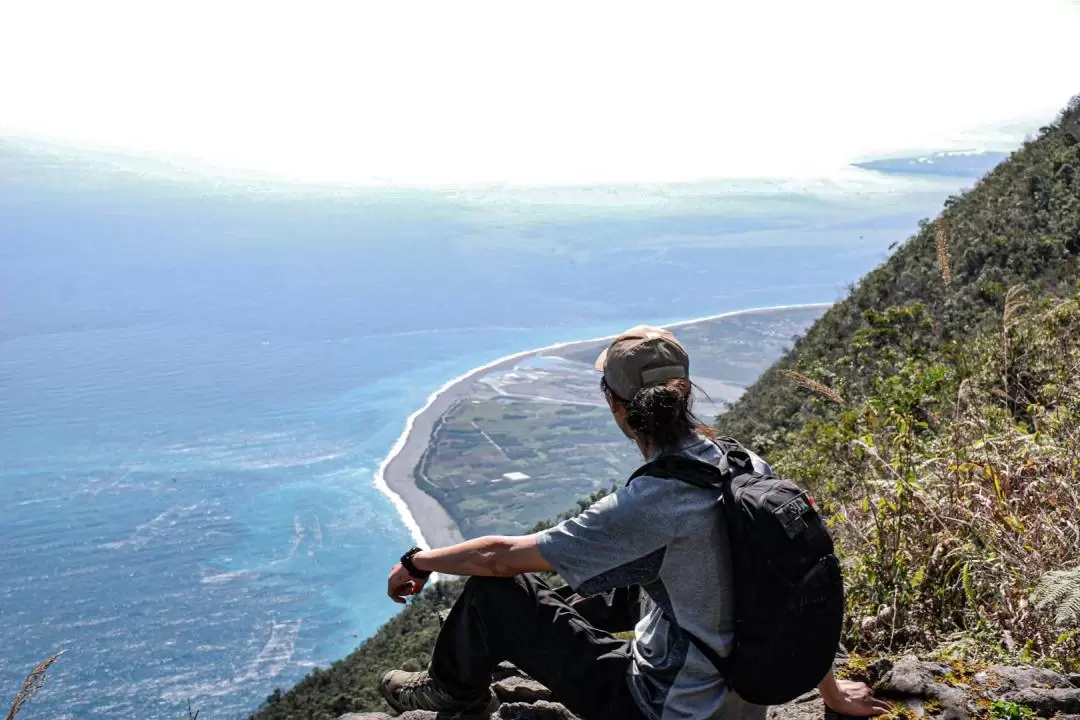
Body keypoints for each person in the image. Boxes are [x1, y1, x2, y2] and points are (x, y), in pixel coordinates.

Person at [381, 325, 892, 720]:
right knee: (627, 581)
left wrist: (418, 560)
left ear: (614, 403)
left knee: (497, 595)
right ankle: (475, 656)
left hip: (662, 706)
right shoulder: (744, 464)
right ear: (686, 390)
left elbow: (497, 558)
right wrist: (830, 689)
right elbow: (786, 584)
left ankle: (449, 694)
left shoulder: (650, 502)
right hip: (743, 692)